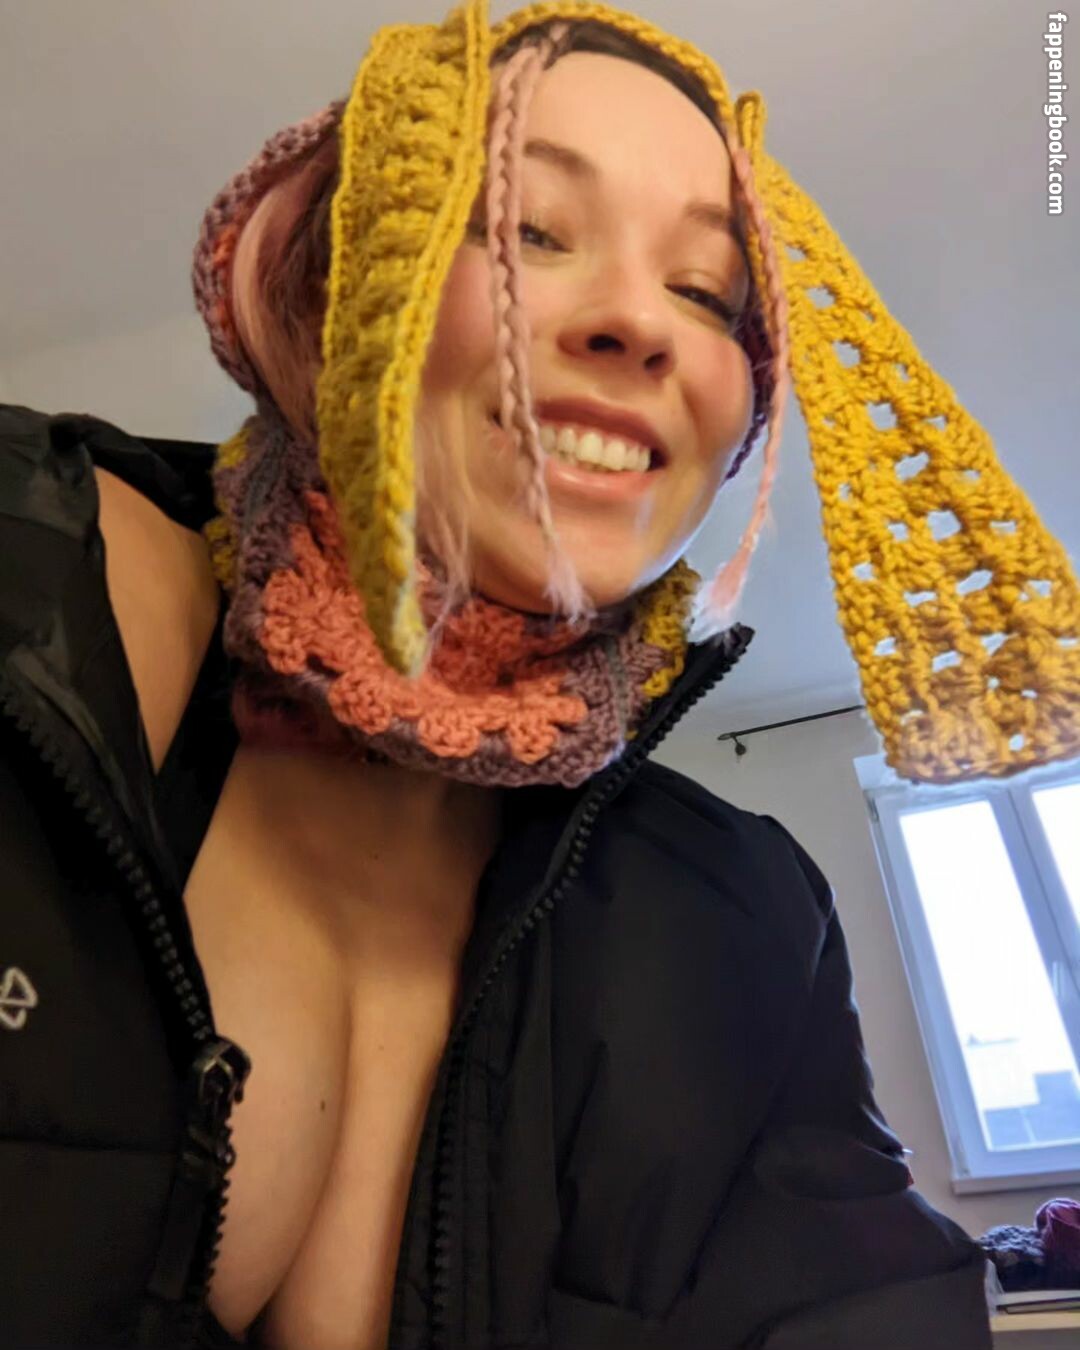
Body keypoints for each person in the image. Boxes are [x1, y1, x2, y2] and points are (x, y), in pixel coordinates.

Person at [16, 0, 1080, 1345]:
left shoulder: (753, 917)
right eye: (527, 229)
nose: (640, 320)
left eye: (709, 293)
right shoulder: (35, 582)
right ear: (334, 289)